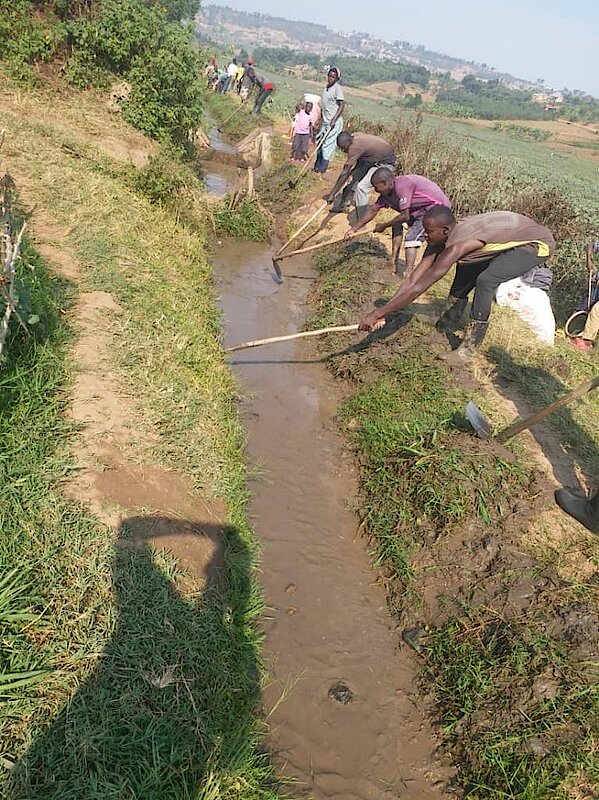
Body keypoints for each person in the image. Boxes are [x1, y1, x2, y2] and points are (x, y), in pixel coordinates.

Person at [358, 206, 556, 363]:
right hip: (506, 231)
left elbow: (422, 285)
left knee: (486, 280)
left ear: (445, 230)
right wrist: (386, 311)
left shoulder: (459, 245)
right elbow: (413, 280)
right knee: (466, 265)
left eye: (428, 232)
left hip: (536, 243)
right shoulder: (442, 235)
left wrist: (377, 313)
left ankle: (468, 349)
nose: (424, 235)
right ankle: (448, 322)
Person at [346, 168, 451, 275]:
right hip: (418, 210)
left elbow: (405, 216)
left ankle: (408, 274)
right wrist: (353, 229)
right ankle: (393, 262)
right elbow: (373, 210)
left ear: (386, 183)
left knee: (411, 238)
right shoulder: (386, 195)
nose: (376, 190)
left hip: (435, 210)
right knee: (396, 224)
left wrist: (383, 226)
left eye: (376, 187)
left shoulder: (403, 185)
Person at [323, 131, 396, 220]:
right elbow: (359, 161)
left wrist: (332, 194)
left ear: (349, 142)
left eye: (344, 148)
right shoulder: (354, 136)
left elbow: (345, 172)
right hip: (370, 160)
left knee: (361, 188)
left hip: (385, 163)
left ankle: (362, 219)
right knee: (350, 180)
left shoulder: (355, 147)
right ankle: (343, 205)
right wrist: (351, 176)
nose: (344, 151)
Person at [314, 67, 345, 174]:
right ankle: (316, 168)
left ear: (337, 79)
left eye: (333, 77)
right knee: (319, 143)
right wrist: (320, 119)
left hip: (334, 122)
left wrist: (334, 120)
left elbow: (342, 105)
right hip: (326, 121)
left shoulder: (337, 88)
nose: (330, 78)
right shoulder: (326, 87)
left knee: (327, 146)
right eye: (329, 76)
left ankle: (321, 171)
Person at [569, 242, 599, 351]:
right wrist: (589, 262)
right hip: (597, 285)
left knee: (596, 310)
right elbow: (591, 245)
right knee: (583, 307)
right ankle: (573, 331)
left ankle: (586, 342)